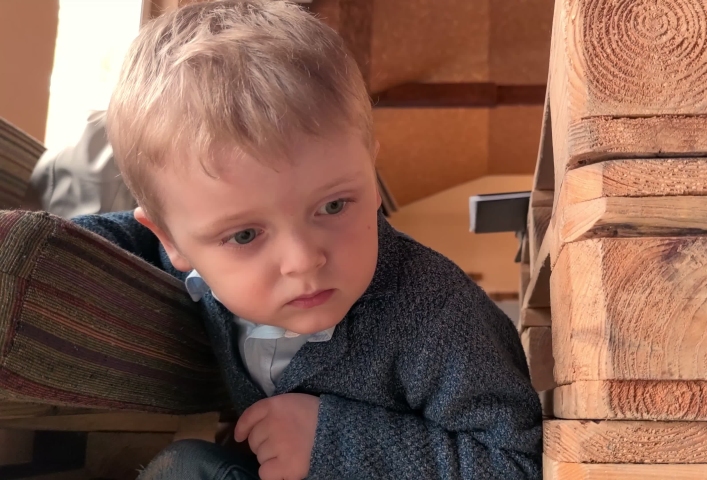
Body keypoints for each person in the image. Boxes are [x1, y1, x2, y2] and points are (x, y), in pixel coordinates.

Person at [70, 1, 542, 479]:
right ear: (175, 242)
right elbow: (114, 241)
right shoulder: (193, 246)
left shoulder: (440, 318)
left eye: (333, 206)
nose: (303, 260)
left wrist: (332, 444)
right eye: (246, 235)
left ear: (371, 179)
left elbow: (516, 463)